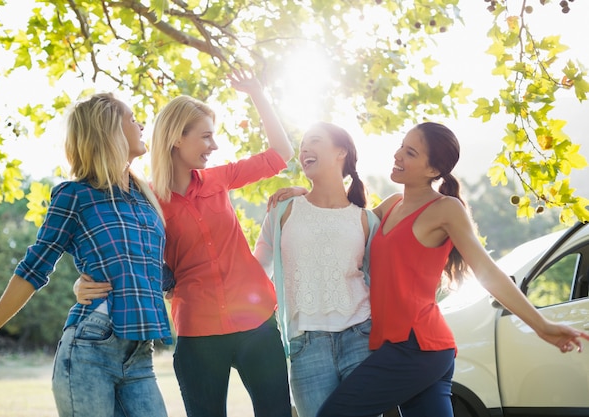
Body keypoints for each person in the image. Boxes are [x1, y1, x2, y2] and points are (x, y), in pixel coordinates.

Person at [275, 122, 589, 417]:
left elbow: (488, 271)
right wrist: (305, 195)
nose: (398, 155)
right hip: (395, 346)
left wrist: (540, 324)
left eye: (410, 153)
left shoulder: (445, 209)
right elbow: (339, 220)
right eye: (401, 146)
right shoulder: (389, 207)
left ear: (434, 170)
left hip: (417, 347)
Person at [76, 69, 295, 417]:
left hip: (256, 323)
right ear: (178, 138)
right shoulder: (146, 201)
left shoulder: (218, 179)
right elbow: (121, 251)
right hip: (198, 332)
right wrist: (83, 281)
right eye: (206, 136)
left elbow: (281, 153)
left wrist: (257, 93)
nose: (214, 146)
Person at [0, 93, 174, 417]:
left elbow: (154, 273)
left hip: (139, 356)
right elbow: (33, 269)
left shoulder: (147, 200)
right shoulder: (75, 195)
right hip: (91, 349)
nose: (141, 125)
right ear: (109, 130)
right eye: (132, 119)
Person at [253, 121, 379, 417]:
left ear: (341, 152)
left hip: (361, 338)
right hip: (305, 346)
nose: (304, 149)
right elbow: (256, 271)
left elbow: (381, 281)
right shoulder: (283, 210)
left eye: (315, 141)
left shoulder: (366, 220)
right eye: (302, 146)